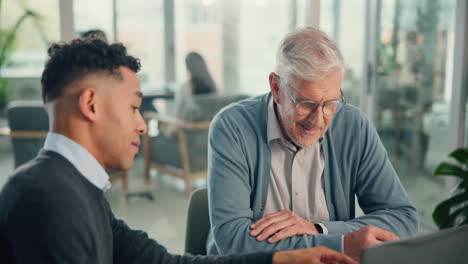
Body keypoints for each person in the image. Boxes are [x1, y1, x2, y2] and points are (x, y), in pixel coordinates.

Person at [0, 38, 356, 264]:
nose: (141, 125)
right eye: (133, 107)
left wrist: (280, 260)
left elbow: (165, 263)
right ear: (91, 104)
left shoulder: (77, 191)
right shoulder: (48, 199)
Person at [206, 26, 418, 262]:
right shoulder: (231, 126)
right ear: (276, 88)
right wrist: (342, 243)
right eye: (306, 103)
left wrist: (318, 229)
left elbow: (403, 219)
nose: (318, 120)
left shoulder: (353, 125)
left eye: (330, 103)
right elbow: (233, 242)